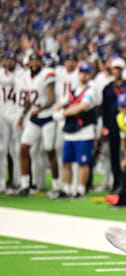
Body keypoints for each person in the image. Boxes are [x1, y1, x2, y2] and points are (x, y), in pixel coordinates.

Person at [16, 52, 60, 197]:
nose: (34, 64)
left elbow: (51, 98)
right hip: (34, 118)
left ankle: (56, 185)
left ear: (41, 62)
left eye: (37, 61)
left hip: (47, 117)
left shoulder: (47, 74)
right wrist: (23, 115)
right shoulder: (28, 77)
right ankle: (25, 184)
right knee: (23, 148)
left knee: (49, 151)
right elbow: (30, 98)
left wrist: (39, 109)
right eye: (32, 61)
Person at [53, 62, 97, 198]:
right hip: (70, 132)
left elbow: (81, 107)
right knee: (66, 162)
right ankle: (66, 188)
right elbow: (58, 105)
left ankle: (80, 189)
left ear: (89, 75)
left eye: (86, 73)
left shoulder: (91, 91)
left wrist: (63, 113)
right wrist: (58, 111)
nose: (83, 75)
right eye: (81, 72)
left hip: (84, 132)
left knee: (83, 162)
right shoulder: (72, 92)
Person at [101, 58, 126, 193]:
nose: (116, 71)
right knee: (114, 155)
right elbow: (104, 109)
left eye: (119, 68)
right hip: (112, 125)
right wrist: (104, 126)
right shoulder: (107, 88)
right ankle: (117, 182)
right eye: (114, 68)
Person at [0, 52, 23, 193]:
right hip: (2, 114)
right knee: (2, 150)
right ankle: (2, 182)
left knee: (16, 150)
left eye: (13, 60)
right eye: (8, 60)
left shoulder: (22, 75)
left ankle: (18, 182)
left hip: (16, 115)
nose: (10, 62)